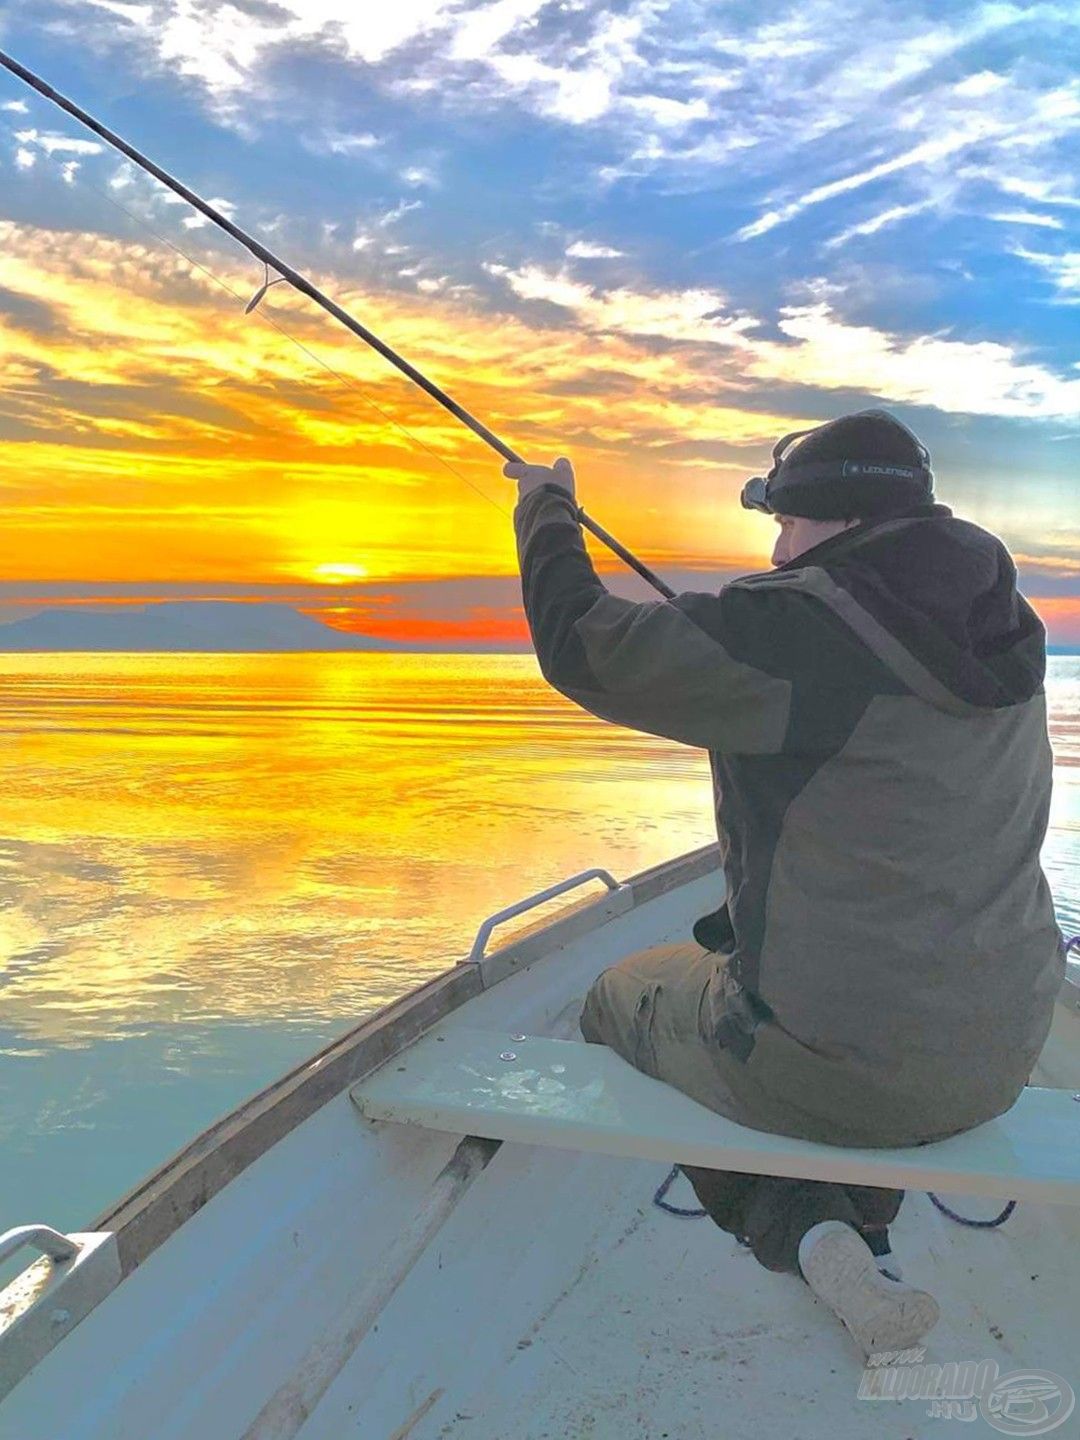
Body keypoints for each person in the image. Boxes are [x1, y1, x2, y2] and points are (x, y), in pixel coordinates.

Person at [506, 409, 1065, 1357]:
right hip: (1009, 1045)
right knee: (863, 1028)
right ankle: (865, 1230)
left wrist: (547, 511)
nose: (775, 546)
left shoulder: (792, 631)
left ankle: (804, 1230)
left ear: (834, 520)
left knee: (616, 997)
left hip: (846, 1070)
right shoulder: (1003, 629)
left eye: (787, 524)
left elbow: (582, 645)